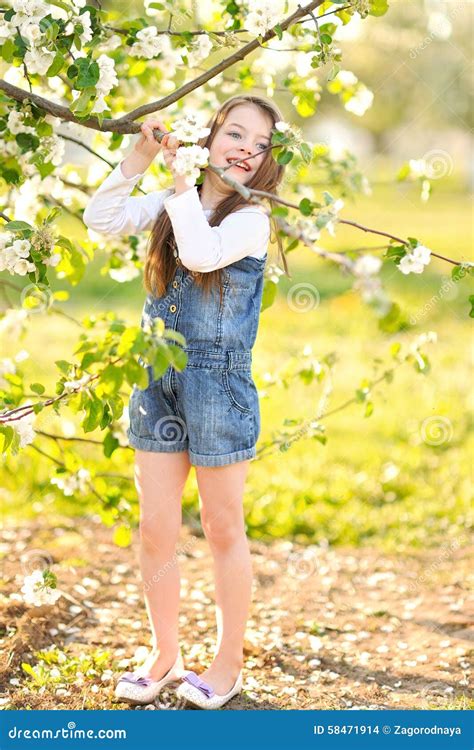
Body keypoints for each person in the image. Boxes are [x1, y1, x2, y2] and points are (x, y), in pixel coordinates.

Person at [83, 94, 289, 709]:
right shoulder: (176, 204)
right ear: (211, 136)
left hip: (217, 386)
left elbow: (200, 252)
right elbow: (101, 217)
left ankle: (227, 664)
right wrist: (140, 156)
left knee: (223, 527)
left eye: (259, 144)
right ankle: (164, 654)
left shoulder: (252, 220)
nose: (245, 150)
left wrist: (179, 184)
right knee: (156, 529)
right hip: (158, 377)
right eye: (234, 133)